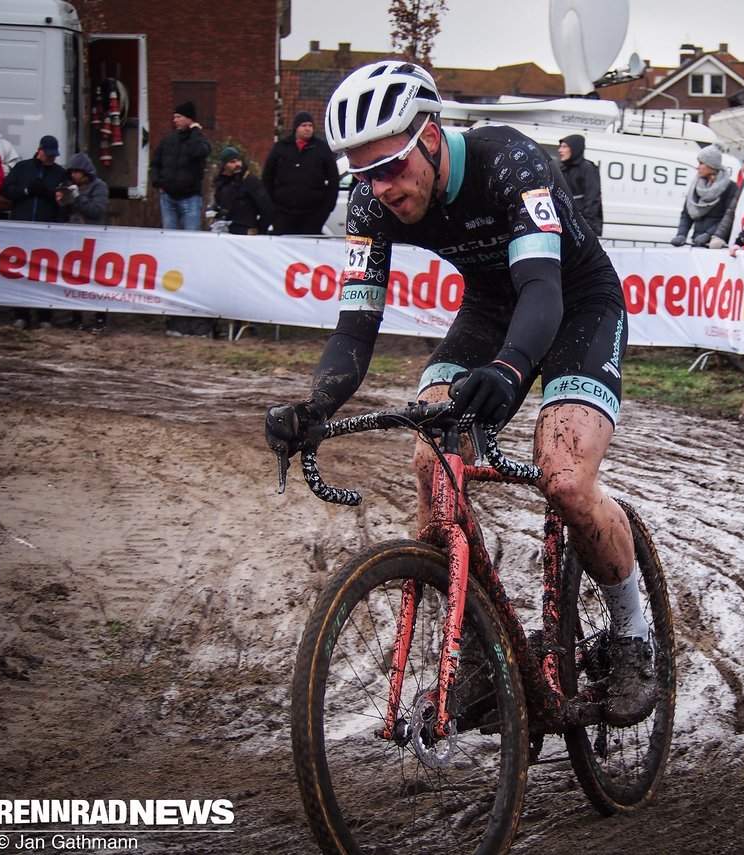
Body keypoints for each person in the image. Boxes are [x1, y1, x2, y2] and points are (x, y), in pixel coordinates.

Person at [264, 60, 657, 726]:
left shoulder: (511, 162)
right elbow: (356, 330)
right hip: (490, 310)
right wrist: (315, 407)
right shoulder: (368, 204)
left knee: (562, 478)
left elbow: (541, 291)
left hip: (575, 302)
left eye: (390, 165)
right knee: (431, 462)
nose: (381, 187)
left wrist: (508, 371)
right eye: (364, 174)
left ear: (431, 133)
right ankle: (479, 653)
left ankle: (632, 635)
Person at [1, 135, 68, 329]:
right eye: (49, 155)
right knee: (20, 272)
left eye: (54, 155)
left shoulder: (59, 172)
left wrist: (55, 196)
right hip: (22, 228)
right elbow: (6, 190)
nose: (52, 159)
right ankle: (21, 314)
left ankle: (44, 315)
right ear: (40, 150)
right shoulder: (22, 168)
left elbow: (65, 200)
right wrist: (27, 191)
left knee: (44, 274)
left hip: (46, 230)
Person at [56, 152, 110, 332]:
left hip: (94, 239)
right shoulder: (72, 186)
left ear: (85, 171)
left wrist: (78, 197)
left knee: (96, 280)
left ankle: (100, 317)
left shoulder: (99, 186)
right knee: (74, 278)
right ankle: (76, 317)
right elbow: (70, 211)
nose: (73, 175)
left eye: (76, 172)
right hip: (74, 237)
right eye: (71, 172)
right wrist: (63, 200)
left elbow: (97, 210)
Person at [262, 110, 340, 235]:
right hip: (283, 211)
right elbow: (267, 177)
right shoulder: (281, 147)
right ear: (296, 128)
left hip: (313, 213)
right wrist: (271, 206)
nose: (307, 129)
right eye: (304, 126)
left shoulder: (321, 149)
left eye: (310, 126)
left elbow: (333, 179)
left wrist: (326, 208)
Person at [151, 101, 211, 230]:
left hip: (190, 198)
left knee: (192, 239)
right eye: (174, 117)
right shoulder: (168, 139)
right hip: (168, 197)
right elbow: (156, 162)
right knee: (168, 237)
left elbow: (199, 151)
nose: (175, 120)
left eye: (179, 117)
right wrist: (158, 183)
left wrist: (195, 131)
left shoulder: (200, 140)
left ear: (189, 119)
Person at [671, 145, 737, 247]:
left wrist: (709, 234)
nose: (698, 167)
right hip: (696, 241)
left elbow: (728, 218)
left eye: (702, 163)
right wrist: (681, 234)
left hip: (715, 244)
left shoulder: (730, 187)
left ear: (712, 165)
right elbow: (687, 213)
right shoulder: (696, 186)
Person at [210, 146, 273, 235]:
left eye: (239, 160)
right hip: (225, 231)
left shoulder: (250, 181)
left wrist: (259, 230)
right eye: (232, 162)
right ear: (224, 165)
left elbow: (266, 208)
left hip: (246, 231)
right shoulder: (221, 182)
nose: (237, 164)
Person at [557, 134, 603, 236]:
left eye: (564, 147)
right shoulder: (562, 170)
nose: (560, 150)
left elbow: (592, 198)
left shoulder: (587, 169)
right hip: (565, 225)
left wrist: (586, 225)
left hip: (583, 227)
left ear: (574, 148)